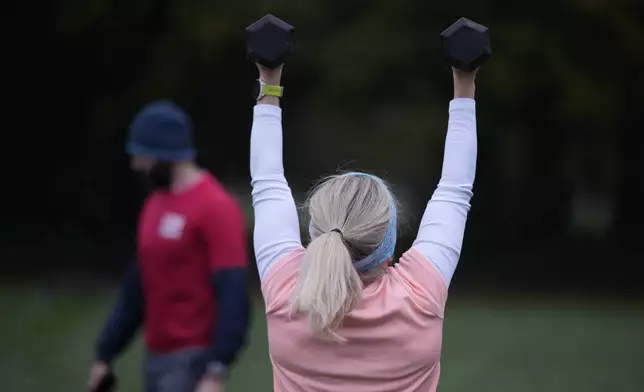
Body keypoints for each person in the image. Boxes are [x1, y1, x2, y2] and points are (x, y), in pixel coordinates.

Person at [249, 61, 478, 391]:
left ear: (316, 232)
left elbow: (267, 182)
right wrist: (465, 81)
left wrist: (268, 79)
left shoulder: (287, 291)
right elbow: (455, 189)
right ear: (388, 242)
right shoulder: (420, 295)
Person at [86, 101, 251, 392]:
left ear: (166, 155)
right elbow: (137, 286)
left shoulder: (216, 207)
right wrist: (106, 353)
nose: (136, 165)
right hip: (155, 357)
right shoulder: (154, 205)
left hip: (193, 359)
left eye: (143, 156)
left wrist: (216, 370)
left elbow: (233, 291)